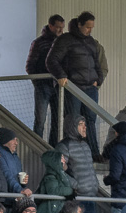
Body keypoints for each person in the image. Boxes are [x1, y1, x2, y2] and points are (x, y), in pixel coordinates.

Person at [47, 12, 107, 159]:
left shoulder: (91, 42)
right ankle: (73, 153)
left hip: (90, 88)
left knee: (90, 121)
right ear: (79, 25)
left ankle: (92, 152)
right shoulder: (65, 40)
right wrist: (61, 76)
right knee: (73, 121)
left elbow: (97, 64)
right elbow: (51, 60)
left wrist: (98, 80)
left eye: (91, 27)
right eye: (87, 27)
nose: (90, 30)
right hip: (73, 88)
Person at [27, 15, 68, 142]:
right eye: (58, 27)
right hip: (43, 85)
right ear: (50, 26)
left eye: (62, 27)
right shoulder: (39, 43)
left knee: (57, 119)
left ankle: (52, 147)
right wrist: (38, 82)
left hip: (58, 86)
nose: (60, 30)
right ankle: (37, 147)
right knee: (40, 119)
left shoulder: (63, 43)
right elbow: (30, 66)